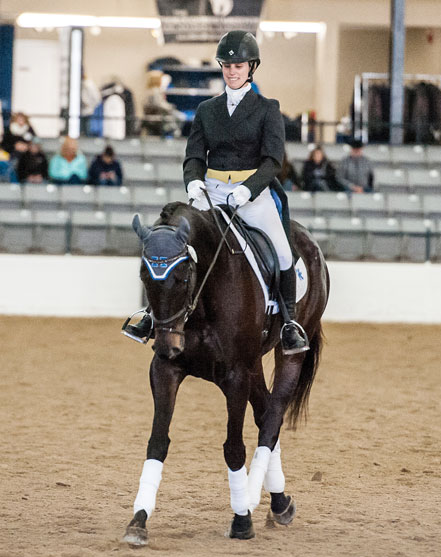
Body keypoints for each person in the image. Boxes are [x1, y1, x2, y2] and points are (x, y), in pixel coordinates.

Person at [125, 30, 309, 354]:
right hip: (209, 193)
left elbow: (273, 161)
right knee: (168, 245)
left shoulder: (268, 108)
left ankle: (290, 323)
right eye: (226, 65)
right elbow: (194, 156)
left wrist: (247, 190)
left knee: (282, 252)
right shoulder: (207, 109)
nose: (232, 71)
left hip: (252, 194)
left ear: (251, 67)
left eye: (238, 65)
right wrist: (193, 181)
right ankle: (151, 316)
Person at [142, 71, 184, 137]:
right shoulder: (154, 92)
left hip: (158, 116)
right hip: (155, 118)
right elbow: (159, 105)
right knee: (179, 117)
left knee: (178, 116)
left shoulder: (154, 91)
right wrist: (171, 107)